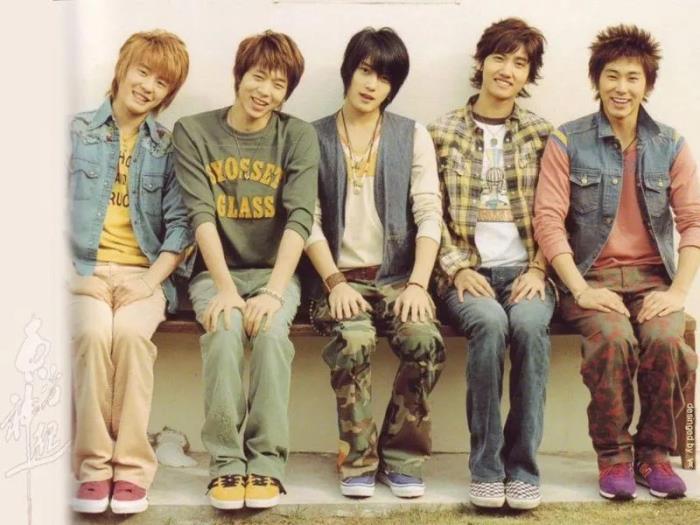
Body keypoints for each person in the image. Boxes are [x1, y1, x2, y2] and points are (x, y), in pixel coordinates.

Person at [534, 24, 699, 501]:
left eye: (632, 77)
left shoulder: (671, 144)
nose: (621, 88)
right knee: (612, 339)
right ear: (596, 80)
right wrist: (581, 289)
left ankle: (654, 454)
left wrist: (677, 292)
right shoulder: (567, 140)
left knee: (667, 340)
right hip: (590, 276)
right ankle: (614, 457)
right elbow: (548, 221)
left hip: (653, 280)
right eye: (611, 76)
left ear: (647, 84)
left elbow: (693, 222)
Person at [173, 30, 318, 510]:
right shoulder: (194, 131)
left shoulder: (296, 135)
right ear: (239, 75)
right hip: (216, 274)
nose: (266, 92)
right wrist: (225, 289)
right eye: (258, 77)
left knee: (272, 335)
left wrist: (273, 293)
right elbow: (200, 214)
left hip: (275, 274)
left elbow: (300, 217)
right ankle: (225, 464)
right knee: (224, 329)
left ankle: (267, 463)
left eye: (279, 84)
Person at [305, 27, 445, 499]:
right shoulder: (312, 137)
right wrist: (334, 282)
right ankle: (357, 458)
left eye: (385, 78)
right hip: (336, 280)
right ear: (349, 70)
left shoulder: (412, 135)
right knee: (355, 339)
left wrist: (418, 285)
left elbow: (429, 212)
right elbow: (306, 219)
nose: (372, 85)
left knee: (424, 339)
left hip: (399, 278)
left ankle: (403, 457)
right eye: (366, 71)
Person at [429, 18, 553, 510]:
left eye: (520, 63)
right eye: (499, 57)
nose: (507, 70)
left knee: (528, 326)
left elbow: (559, 214)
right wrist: (457, 268)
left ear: (529, 74)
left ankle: (522, 470)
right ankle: (485, 467)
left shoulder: (543, 135)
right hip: (466, 274)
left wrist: (539, 268)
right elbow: (429, 214)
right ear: (481, 62)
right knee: (489, 323)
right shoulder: (441, 133)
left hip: (528, 273)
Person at [69, 29, 191, 514]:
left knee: (131, 339)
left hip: (143, 274)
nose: (148, 87)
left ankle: (133, 470)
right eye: (143, 72)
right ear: (122, 68)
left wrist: (149, 281)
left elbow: (180, 226)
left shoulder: (166, 147)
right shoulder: (76, 132)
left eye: (162, 82)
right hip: (83, 271)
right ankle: (94, 468)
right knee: (93, 334)